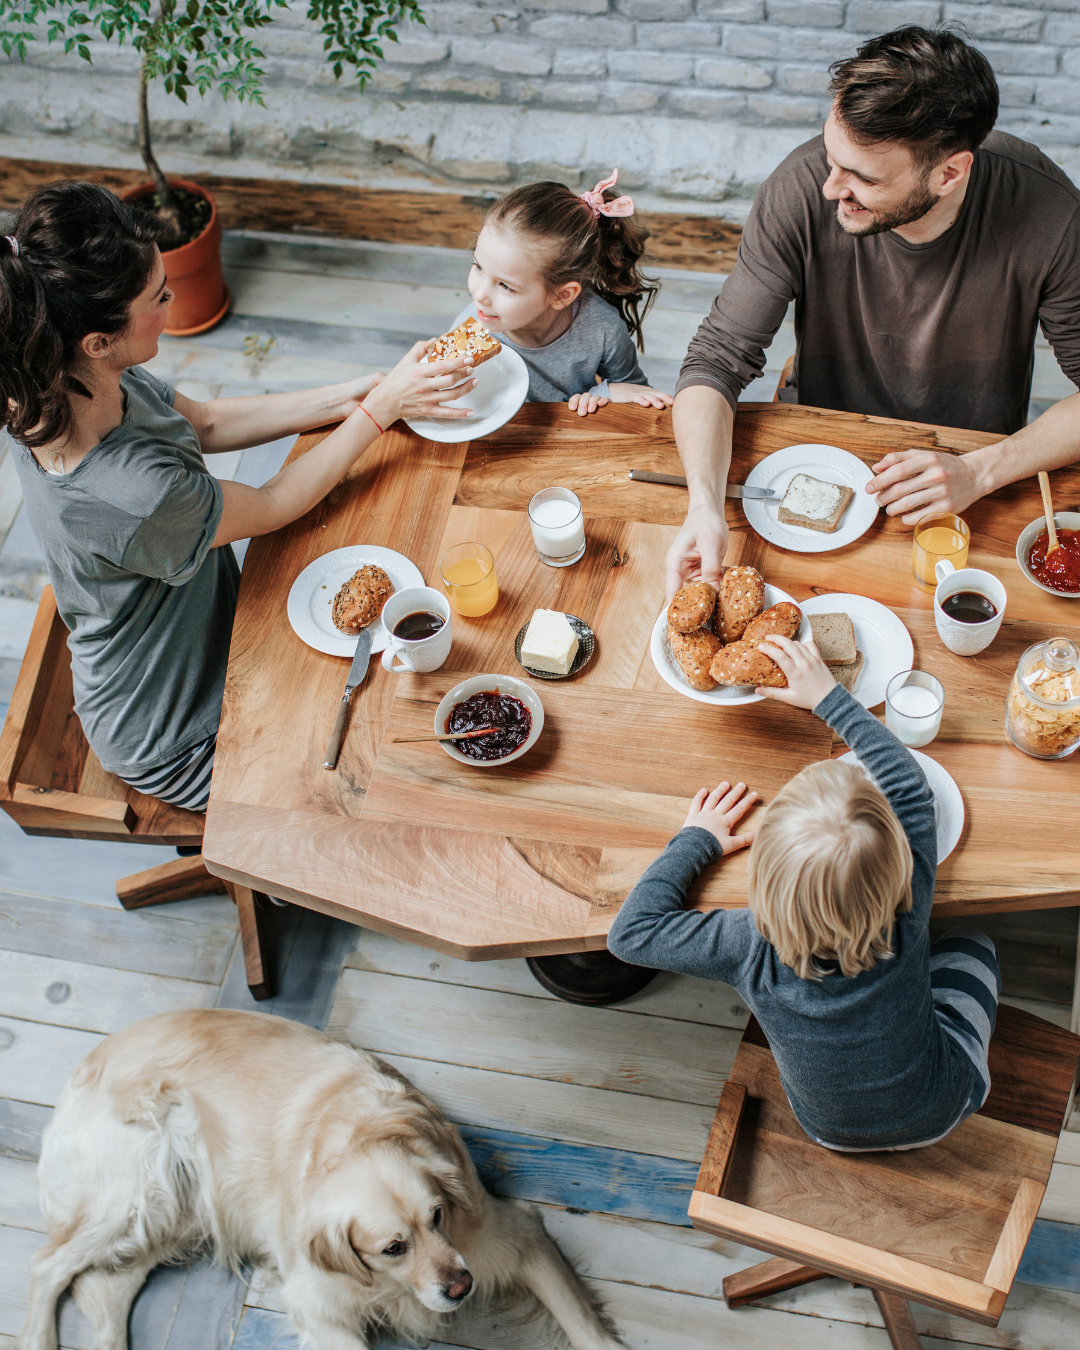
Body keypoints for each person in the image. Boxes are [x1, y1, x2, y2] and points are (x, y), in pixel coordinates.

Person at [0, 181, 479, 812]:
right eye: (158, 297)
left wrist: (366, 392)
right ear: (99, 341)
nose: (171, 301)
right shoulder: (135, 495)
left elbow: (206, 424)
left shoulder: (56, 380)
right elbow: (277, 503)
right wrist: (380, 411)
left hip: (206, 629)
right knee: (372, 787)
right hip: (186, 731)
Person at [666, 25, 1080, 599]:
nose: (832, 187)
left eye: (863, 176)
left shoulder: (1049, 212)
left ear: (949, 173)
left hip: (971, 472)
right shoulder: (803, 185)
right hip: (821, 457)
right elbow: (714, 361)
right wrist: (705, 506)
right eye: (832, 157)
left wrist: (983, 469)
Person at [606, 636, 1000, 1152]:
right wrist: (828, 697)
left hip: (826, 1130)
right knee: (976, 943)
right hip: (943, 1105)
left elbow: (629, 935)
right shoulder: (909, 903)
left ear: (763, 875)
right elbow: (909, 786)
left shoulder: (744, 943)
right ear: (900, 864)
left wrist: (697, 840)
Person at [449, 171, 673, 418]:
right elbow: (448, 396)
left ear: (562, 296)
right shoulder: (469, 329)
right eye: (478, 267)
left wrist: (604, 395)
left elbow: (639, 395)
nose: (479, 295)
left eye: (505, 286)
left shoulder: (603, 329)